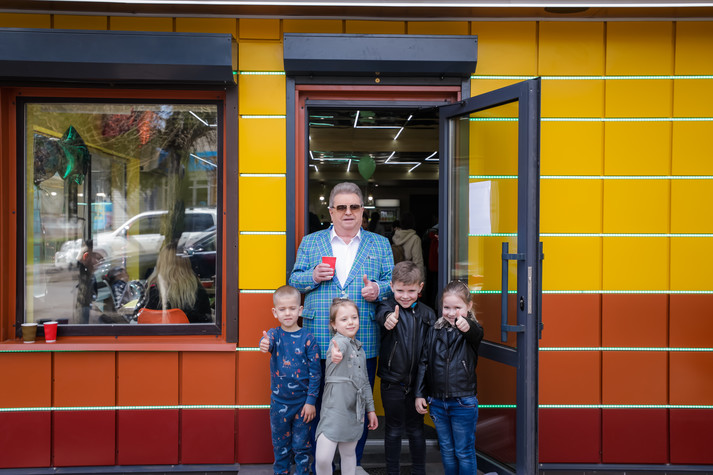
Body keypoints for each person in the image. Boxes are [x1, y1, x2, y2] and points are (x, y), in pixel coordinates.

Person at [289, 181, 393, 469]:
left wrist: (378, 289)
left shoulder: (380, 244)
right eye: (342, 207)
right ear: (331, 211)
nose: (348, 212)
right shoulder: (311, 242)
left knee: (357, 405)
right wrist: (313, 276)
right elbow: (294, 280)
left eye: (354, 207)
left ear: (362, 211)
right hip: (320, 338)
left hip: (363, 339)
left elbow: (391, 283)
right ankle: (321, 466)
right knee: (318, 404)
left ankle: (351, 466)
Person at [415, 280, 484, 475]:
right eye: (447, 307)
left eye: (457, 308)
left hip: (463, 402)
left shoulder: (472, 329)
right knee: (446, 449)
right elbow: (424, 362)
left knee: (464, 451)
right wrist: (420, 393)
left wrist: (466, 325)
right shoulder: (434, 330)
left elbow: (476, 333)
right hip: (437, 402)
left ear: (468, 306)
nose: (451, 313)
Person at [375, 261, 436, 475]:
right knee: (393, 431)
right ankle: (393, 471)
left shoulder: (428, 315)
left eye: (411, 291)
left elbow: (429, 354)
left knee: (416, 430)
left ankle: (419, 471)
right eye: (400, 290)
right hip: (392, 382)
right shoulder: (386, 307)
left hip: (418, 385)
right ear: (391, 286)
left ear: (420, 288)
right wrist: (389, 320)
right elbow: (382, 316)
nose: (405, 296)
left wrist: (422, 389)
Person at [259, 285, 321, 475]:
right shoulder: (274, 335)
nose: (287, 313)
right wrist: (264, 343)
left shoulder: (308, 338)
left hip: (303, 405)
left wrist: (311, 402)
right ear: (275, 312)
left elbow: (316, 373)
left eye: (292, 308)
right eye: (282, 309)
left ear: (300, 310)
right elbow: (266, 341)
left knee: (302, 447)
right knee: (280, 446)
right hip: (279, 404)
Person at [315, 298, 378, 475]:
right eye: (344, 319)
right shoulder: (338, 342)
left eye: (354, 317)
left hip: (354, 409)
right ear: (333, 325)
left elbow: (365, 382)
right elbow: (337, 350)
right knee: (323, 458)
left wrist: (371, 410)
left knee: (349, 454)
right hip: (334, 408)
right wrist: (335, 355)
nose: (350, 322)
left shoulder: (360, 350)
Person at [133, 243, 211, 323]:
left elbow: (137, 316)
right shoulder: (197, 290)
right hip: (187, 331)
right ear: (186, 263)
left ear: (161, 263)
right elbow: (206, 320)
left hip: (156, 331)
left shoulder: (151, 290)